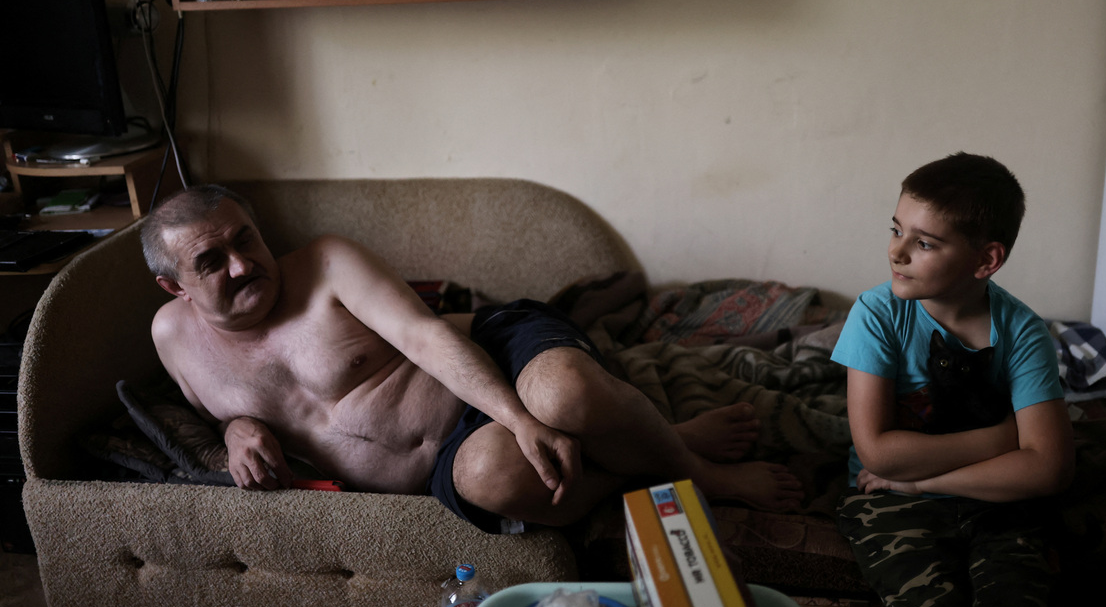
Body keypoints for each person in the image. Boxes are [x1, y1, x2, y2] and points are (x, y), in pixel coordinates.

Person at [139, 184, 804, 534]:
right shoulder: (173, 340)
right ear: (174, 287)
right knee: (497, 481)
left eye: (246, 240)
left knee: (564, 398)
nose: (242, 264)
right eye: (211, 261)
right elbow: (215, 416)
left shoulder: (327, 264)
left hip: (490, 357)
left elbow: (428, 338)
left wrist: (520, 418)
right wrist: (237, 430)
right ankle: (655, 452)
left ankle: (696, 471)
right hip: (447, 459)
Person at [831, 153, 1075, 607]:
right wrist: (1005, 438)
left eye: (924, 243)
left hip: (995, 502)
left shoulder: (1022, 331)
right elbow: (879, 455)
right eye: (896, 229)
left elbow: (1049, 468)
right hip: (888, 501)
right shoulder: (877, 314)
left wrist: (922, 481)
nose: (896, 251)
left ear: (986, 260)